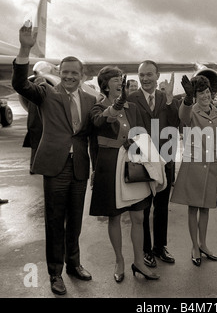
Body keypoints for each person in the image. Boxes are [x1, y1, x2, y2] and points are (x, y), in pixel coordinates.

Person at [12, 24, 96, 295]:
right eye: (65, 72)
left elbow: (91, 134)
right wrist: (25, 49)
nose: (69, 76)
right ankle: (55, 273)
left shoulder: (91, 99)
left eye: (75, 73)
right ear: (59, 73)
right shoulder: (46, 93)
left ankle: (74, 264)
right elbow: (19, 84)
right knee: (54, 220)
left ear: (82, 75)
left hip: (80, 166)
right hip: (55, 166)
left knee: (75, 221)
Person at [89, 66, 159, 281]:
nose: (120, 81)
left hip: (134, 163)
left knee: (139, 216)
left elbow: (142, 134)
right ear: (105, 84)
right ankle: (119, 260)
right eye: (115, 79)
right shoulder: (97, 107)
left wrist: (151, 163)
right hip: (109, 167)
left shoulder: (133, 107)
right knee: (114, 217)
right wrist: (116, 106)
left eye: (121, 78)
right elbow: (100, 122)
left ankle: (138, 261)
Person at [127, 60, 180, 268]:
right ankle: (146, 250)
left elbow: (176, 123)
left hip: (165, 161)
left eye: (149, 75)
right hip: (142, 162)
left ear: (158, 76)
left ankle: (160, 247)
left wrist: (169, 100)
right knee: (144, 209)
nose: (145, 79)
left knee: (162, 207)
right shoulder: (131, 98)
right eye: (142, 75)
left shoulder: (167, 99)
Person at [170, 75, 217, 266]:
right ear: (195, 95)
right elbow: (182, 116)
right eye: (201, 92)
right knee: (193, 207)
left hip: (212, 166)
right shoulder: (191, 112)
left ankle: (204, 244)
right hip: (193, 166)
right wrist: (187, 99)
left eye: (207, 92)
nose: (205, 96)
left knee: (206, 208)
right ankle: (194, 246)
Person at [22, 76, 45, 174]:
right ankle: (36, 167)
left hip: (32, 124)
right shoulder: (42, 96)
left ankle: (33, 167)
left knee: (34, 147)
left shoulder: (30, 97)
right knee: (40, 147)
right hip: (40, 125)